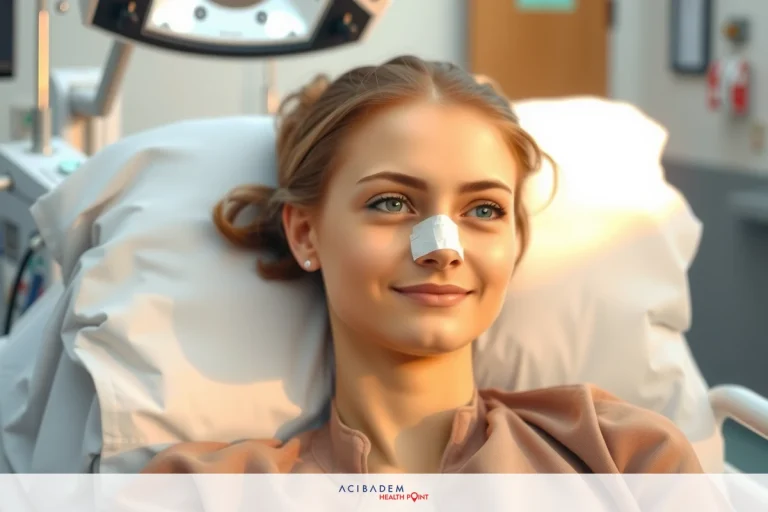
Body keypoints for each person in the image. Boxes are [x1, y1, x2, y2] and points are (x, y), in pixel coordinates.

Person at [142, 56, 703, 474]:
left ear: (514, 243)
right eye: (391, 202)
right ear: (305, 232)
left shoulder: (621, 457)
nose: (441, 247)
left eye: (483, 209)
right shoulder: (203, 492)